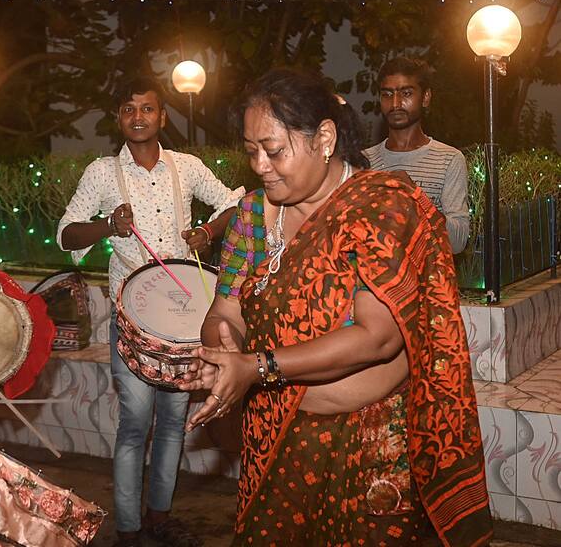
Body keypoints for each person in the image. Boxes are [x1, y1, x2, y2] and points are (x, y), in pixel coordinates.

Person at [178, 69, 491, 546]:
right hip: (278, 438)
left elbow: (378, 336)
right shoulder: (250, 217)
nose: (261, 164)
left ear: (324, 138)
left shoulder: (380, 206)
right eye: (250, 150)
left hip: (373, 447)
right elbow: (225, 311)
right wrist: (224, 353)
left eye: (275, 150)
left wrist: (256, 367)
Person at [57, 77, 244, 547]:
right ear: (117, 118)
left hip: (184, 322)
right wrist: (106, 225)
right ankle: (128, 528)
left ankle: (159, 517)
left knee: (174, 423)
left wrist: (209, 232)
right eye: (128, 109)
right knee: (135, 424)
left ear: (162, 117)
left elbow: (234, 203)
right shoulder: (102, 174)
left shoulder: (187, 166)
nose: (138, 117)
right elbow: (66, 235)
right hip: (133, 322)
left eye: (147, 109)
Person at [364, 57, 470, 253]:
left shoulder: (448, 159)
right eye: (387, 94)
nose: (395, 103)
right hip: (374, 282)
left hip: (428, 282)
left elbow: (458, 242)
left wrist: (414, 196)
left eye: (406, 93)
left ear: (426, 97)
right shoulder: (364, 161)